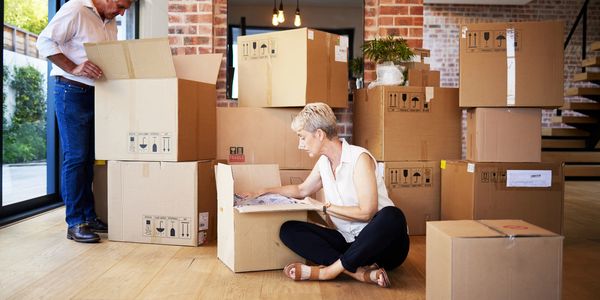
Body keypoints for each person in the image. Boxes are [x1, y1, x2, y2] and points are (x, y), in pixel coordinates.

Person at [243, 103, 410, 288]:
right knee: (289, 230)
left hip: (383, 245)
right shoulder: (324, 163)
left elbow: (367, 212)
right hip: (349, 242)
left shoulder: (359, 159)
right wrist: (263, 191)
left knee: (393, 216)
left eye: (302, 137)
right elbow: (301, 190)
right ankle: (359, 273)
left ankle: (328, 272)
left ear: (320, 134)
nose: (300, 145)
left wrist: (323, 207)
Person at [36, 0, 134, 243]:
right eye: (121, 6)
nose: (122, 12)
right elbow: (44, 42)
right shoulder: (76, 10)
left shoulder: (109, 22)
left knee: (90, 157)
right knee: (76, 157)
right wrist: (74, 67)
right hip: (71, 92)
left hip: (98, 95)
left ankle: (88, 217)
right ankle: (76, 222)